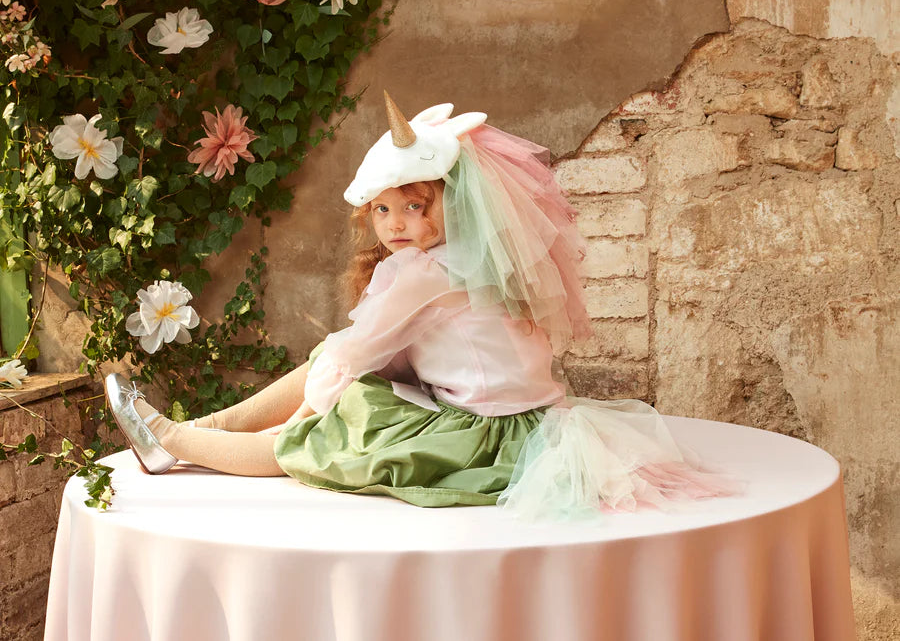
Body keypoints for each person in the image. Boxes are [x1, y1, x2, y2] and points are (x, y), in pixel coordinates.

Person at [107, 93, 732, 517]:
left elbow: (350, 359)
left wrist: (314, 416)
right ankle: (201, 430)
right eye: (384, 209)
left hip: (488, 439)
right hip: (534, 422)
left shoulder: (425, 273)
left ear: (449, 203)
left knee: (313, 436)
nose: (396, 224)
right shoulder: (472, 255)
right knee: (341, 378)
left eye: (415, 206)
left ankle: (176, 441)